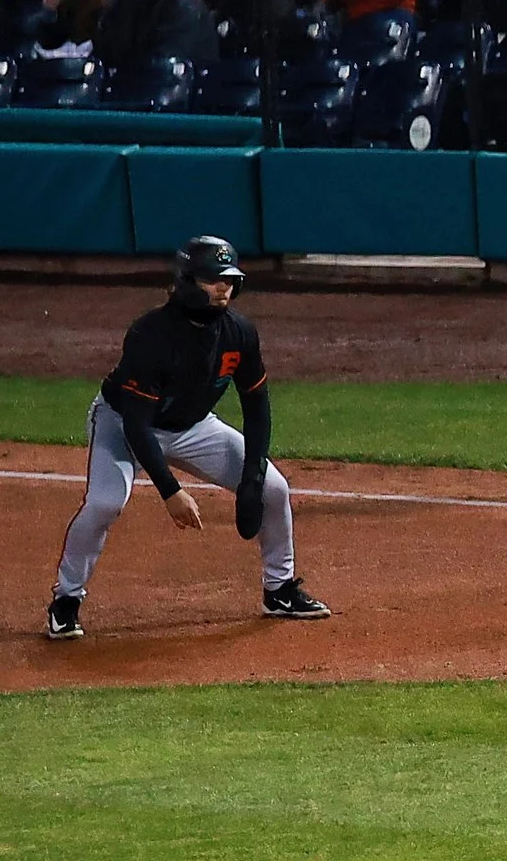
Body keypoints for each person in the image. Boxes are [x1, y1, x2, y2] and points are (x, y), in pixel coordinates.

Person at [46, 237, 332, 641]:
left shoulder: (239, 332)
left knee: (273, 488)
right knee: (105, 502)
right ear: (186, 281)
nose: (223, 288)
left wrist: (251, 477)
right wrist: (170, 491)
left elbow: (257, 403)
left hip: (194, 426)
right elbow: (137, 425)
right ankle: (66, 601)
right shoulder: (152, 334)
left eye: (229, 279)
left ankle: (279, 590)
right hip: (123, 422)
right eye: (213, 279)